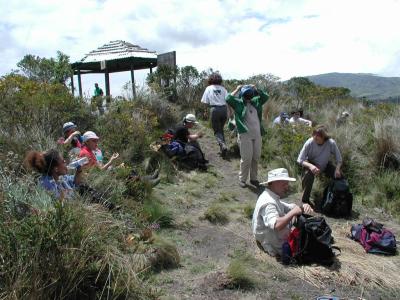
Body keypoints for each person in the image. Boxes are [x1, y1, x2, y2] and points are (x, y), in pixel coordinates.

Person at [252, 168, 314, 257]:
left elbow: (288, 207)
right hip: (274, 244)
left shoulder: (270, 195)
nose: (287, 186)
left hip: (272, 238)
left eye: (287, 184)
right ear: (274, 183)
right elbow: (277, 225)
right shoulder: (268, 202)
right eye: (284, 184)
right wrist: (293, 213)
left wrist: (302, 206)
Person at [226, 84, 269, 187]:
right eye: (247, 94)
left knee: (256, 157)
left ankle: (254, 178)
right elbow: (228, 98)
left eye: (250, 94)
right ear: (242, 94)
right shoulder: (238, 103)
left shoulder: (256, 102)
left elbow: (265, 96)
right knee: (246, 158)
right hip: (245, 135)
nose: (249, 96)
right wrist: (237, 89)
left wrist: (256, 88)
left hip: (257, 135)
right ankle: (242, 179)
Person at [297, 125, 343, 204]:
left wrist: (337, 169)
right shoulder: (310, 142)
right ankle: (305, 200)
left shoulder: (331, 143)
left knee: (340, 177)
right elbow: (299, 159)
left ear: (324, 137)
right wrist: (311, 166)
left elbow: (339, 159)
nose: (315, 137)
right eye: (314, 134)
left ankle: (337, 199)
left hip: (324, 164)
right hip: (311, 163)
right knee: (308, 174)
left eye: (318, 135)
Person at [201, 72, 231, 157]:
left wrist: (205, 111)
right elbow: (228, 100)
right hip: (224, 110)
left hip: (214, 110)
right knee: (220, 129)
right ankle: (223, 149)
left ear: (210, 80)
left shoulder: (208, 88)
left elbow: (204, 101)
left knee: (217, 130)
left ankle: (222, 145)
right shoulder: (223, 89)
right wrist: (230, 112)